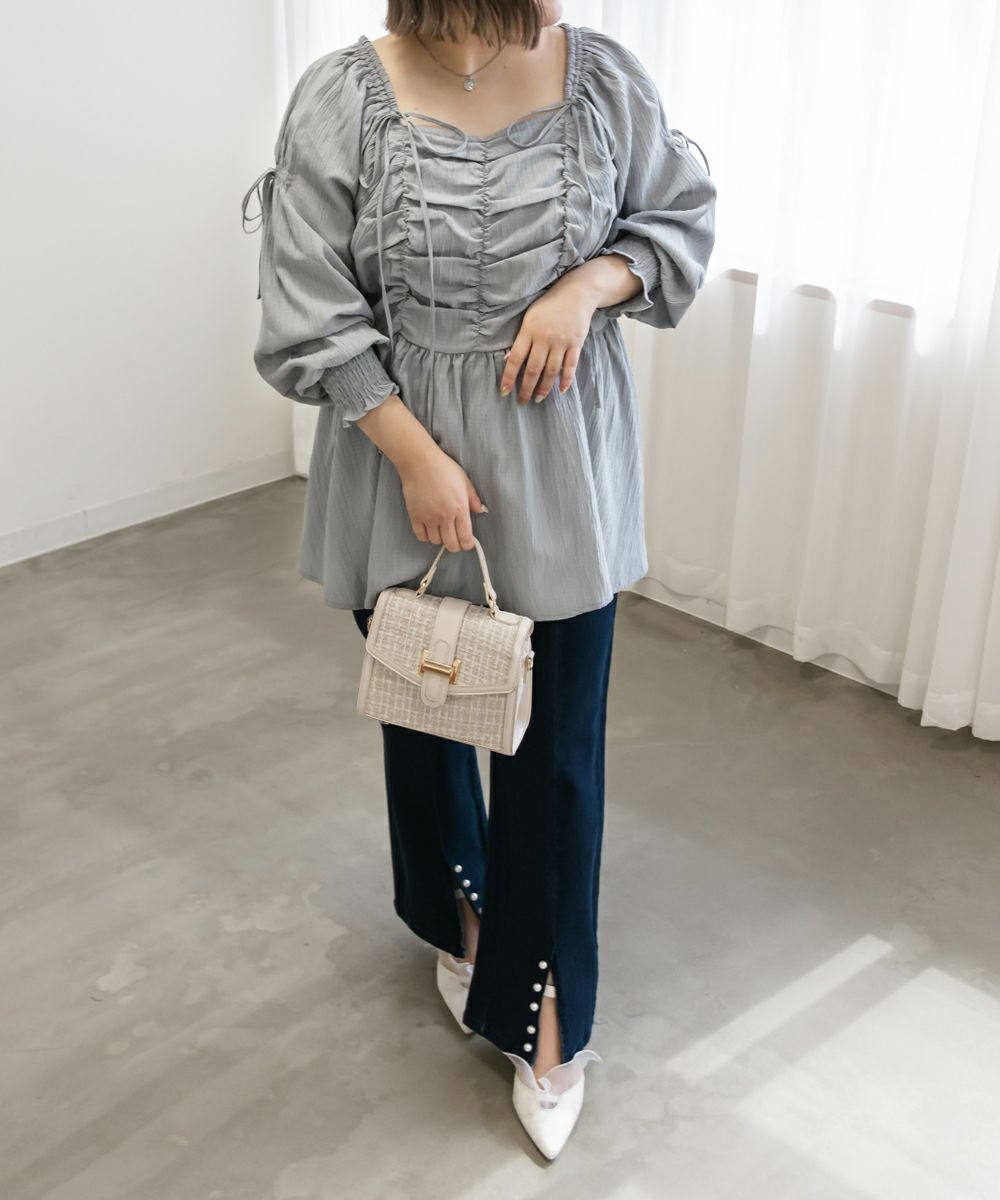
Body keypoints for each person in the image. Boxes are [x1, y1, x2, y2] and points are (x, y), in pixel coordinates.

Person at [241, 0, 716, 1159]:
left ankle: (545, 1017)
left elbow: (674, 220)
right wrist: (413, 456)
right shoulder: (343, 96)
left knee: (556, 750)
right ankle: (456, 912)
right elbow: (306, 299)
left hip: (559, 468)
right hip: (394, 458)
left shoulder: (602, 79)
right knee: (428, 702)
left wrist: (585, 287)